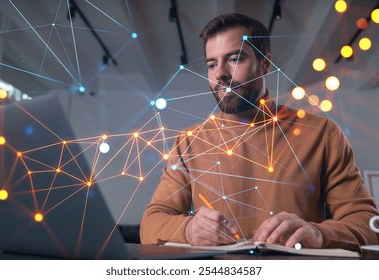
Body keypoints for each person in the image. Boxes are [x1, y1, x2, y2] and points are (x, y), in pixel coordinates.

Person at [140, 13, 379, 250]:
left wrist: (319, 233)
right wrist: (188, 230)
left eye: (235, 59)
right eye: (211, 64)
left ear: (265, 64)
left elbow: (368, 225)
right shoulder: (189, 141)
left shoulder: (322, 134)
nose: (220, 73)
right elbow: (151, 224)